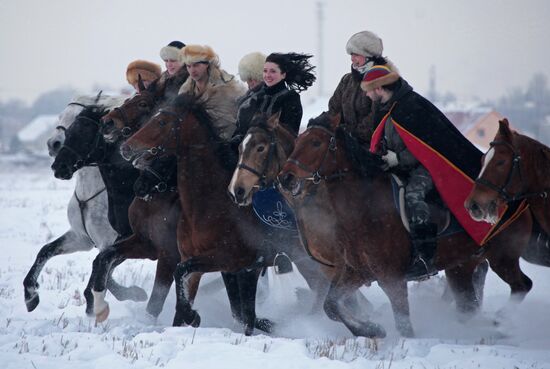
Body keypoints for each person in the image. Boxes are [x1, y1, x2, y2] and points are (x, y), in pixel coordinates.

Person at [362, 64, 485, 280]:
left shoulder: (409, 108)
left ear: (379, 88)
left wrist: (398, 158)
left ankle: (424, 256)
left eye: (369, 90)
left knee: (412, 195)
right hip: (400, 166)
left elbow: (426, 149)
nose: (367, 95)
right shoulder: (391, 110)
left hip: (425, 168)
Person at [232, 52, 316, 142]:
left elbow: (288, 135)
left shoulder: (290, 98)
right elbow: (240, 132)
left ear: (283, 74)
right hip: (246, 150)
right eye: (265, 71)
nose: (268, 75)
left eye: (273, 71)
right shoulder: (254, 98)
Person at [178, 44, 247, 140]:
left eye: (196, 65)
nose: (192, 70)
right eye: (188, 66)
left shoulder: (228, 88)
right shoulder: (185, 92)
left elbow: (234, 122)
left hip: (228, 145)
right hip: (194, 146)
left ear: (206, 64)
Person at [328, 30, 385, 146]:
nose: (352, 59)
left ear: (369, 56)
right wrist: (320, 124)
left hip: (372, 148)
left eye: (356, 54)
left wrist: (352, 134)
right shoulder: (347, 80)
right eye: (351, 55)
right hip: (346, 144)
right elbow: (334, 109)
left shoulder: (382, 81)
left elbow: (376, 118)